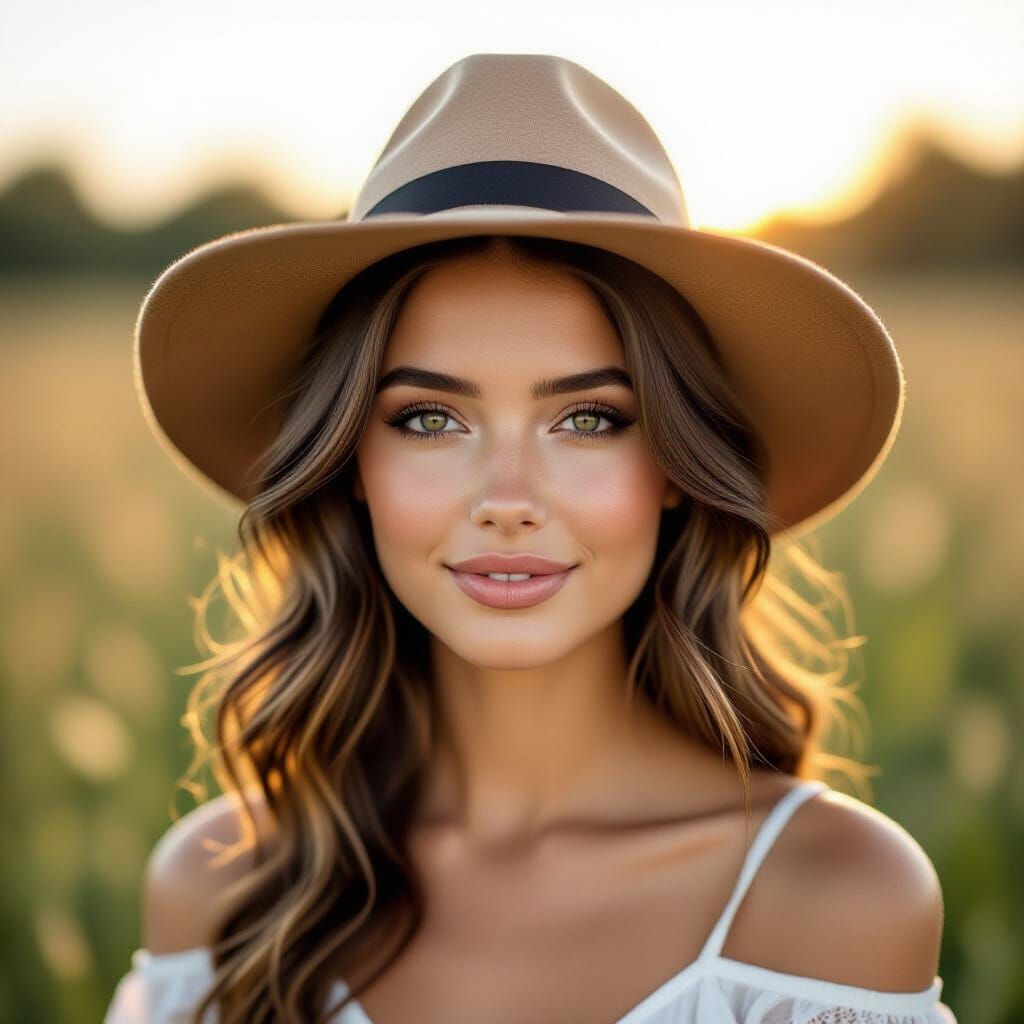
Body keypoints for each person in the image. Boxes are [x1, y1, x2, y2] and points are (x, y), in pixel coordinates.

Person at [103, 53, 956, 1024]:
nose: (507, 498)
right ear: (350, 465)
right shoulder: (222, 890)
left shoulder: (831, 900)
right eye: (430, 418)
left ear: (676, 466)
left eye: (587, 419)